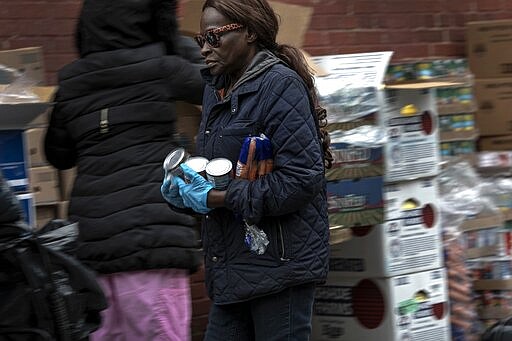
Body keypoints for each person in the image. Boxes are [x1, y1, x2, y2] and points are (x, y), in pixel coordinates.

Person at [162, 0, 332, 339]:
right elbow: (221, 169)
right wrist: (186, 190)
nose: (205, 49)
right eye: (200, 40)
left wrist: (218, 198)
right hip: (233, 269)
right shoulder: (216, 90)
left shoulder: (279, 86)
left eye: (214, 37)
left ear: (250, 32)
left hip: (280, 269)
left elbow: (300, 180)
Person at [44, 0, 205, 340]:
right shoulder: (164, 67)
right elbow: (216, 85)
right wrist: (177, 43)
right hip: (153, 239)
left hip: (91, 245)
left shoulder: (71, 83)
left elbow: (58, 156)